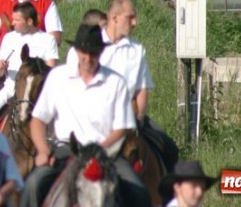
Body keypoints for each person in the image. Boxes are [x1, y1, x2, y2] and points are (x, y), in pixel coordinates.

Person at [20, 24, 148, 207]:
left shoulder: (115, 82)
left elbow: (122, 128)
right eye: (84, 53)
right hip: (66, 150)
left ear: (101, 53)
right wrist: (42, 150)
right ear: (77, 51)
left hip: (106, 153)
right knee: (33, 185)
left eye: (94, 53)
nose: (88, 58)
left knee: (139, 192)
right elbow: (39, 119)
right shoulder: (58, 77)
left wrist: (98, 151)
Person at [66, 0, 179, 170]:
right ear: (115, 18)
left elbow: (141, 89)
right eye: (130, 17)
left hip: (129, 117)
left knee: (170, 150)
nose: (135, 23)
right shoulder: (89, 46)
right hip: (92, 117)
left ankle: (167, 195)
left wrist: (138, 119)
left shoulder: (136, 50)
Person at [0, 2, 58, 120]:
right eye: (13, 19)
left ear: (29, 21)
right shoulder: (9, 38)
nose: (12, 23)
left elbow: (50, 70)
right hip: (11, 87)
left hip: (37, 89)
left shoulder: (48, 40)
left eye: (17, 20)